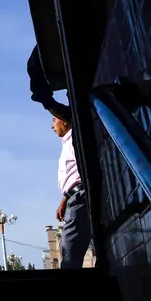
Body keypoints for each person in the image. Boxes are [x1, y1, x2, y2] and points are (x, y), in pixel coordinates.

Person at [52, 105, 92, 268]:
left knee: (70, 247)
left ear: (65, 121)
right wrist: (65, 199)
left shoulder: (75, 140)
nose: (52, 126)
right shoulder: (66, 144)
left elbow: (81, 174)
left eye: (54, 120)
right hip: (74, 197)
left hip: (80, 196)